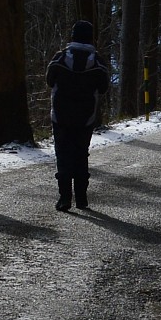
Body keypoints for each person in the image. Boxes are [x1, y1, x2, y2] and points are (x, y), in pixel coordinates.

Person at [46, 20, 109, 212]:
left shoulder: (60, 57)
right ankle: (82, 199)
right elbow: (104, 87)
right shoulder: (98, 62)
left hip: (60, 115)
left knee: (63, 154)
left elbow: (49, 80)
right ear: (91, 38)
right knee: (81, 154)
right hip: (86, 116)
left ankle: (64, 198)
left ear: (72, 36)